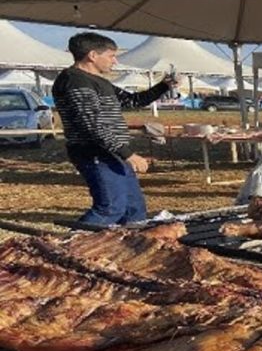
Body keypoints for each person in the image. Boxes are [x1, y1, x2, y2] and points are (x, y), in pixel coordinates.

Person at [52, 32, 175, 226]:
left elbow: (132, 100)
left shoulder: (99, 81)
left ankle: (131, 247)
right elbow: (92, 125)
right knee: (110, 208)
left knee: (134, 210)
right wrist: (128, 154)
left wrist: (164, 86)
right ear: (92, 55)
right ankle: (69, 246)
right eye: (111, 56)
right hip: (96, 153)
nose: (115, 61)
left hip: (113, 153)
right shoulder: (76, 82)